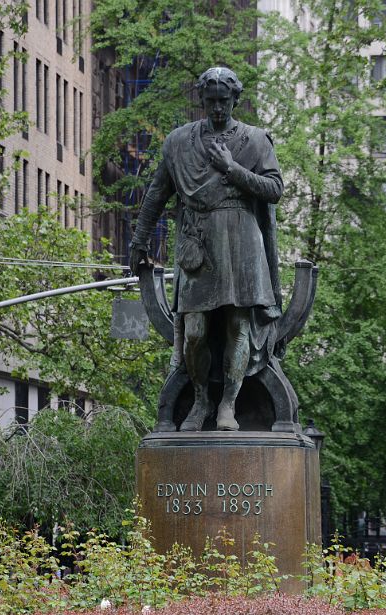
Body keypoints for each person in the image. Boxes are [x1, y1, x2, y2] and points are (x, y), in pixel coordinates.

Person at [130, 66, 284, 432]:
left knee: (237, 326)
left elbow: (274, 189)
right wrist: (138, 241)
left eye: (224, 101)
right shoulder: (180, 142)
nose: (217, 108)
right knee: (195, 330)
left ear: (235, 99)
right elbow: (155, 195)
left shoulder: (255, 140)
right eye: (211, 101)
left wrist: (232, 169)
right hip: (198, 244)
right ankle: (200, 400)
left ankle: (228, 404)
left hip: (241, 243)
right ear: (201, 99)